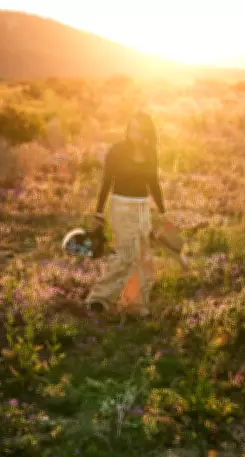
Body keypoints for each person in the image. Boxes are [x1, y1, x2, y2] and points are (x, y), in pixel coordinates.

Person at [85, 112, 166, 317]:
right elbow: (106, 182)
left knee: (143, 256)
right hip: (121, 206)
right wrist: (98, 212)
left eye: (139, 129)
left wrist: (163, 211)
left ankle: (135, 304)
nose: (135, 133)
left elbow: (154, 183)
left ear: (147, 131)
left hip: (142, 207)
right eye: (132, 128)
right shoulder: (117, 151)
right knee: (126, 254)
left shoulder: (150, 152)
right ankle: (99, 298)